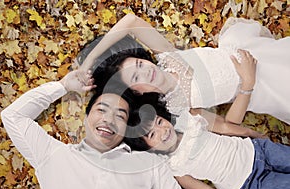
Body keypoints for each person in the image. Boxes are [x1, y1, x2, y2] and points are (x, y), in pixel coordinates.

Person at [0, 69, 190, 189]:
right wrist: (63, 86)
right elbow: (13, 116)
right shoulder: (52, 155)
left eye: (120, 115)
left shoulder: (150, 166)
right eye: (102, 110)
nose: (108, 119)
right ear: (86, 117)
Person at [78, 14, 290, 125]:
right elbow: (228, 124)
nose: (146, 70)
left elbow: (132, 22)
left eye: (141, 64)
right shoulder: (177, 107)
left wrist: (92, 59)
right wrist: (247, 83)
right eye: (136, 76)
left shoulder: (167, 56)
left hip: (256, 54)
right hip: (258, 88)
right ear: (136, 91)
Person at [124, 103, 290, 189]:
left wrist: (254, 135)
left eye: (160, 122)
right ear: (148, 148)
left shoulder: (189, 122)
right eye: (153, 134)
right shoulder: (174, 166)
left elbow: (225, 128)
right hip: (252, 182)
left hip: (257, 150)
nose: (162, 131)